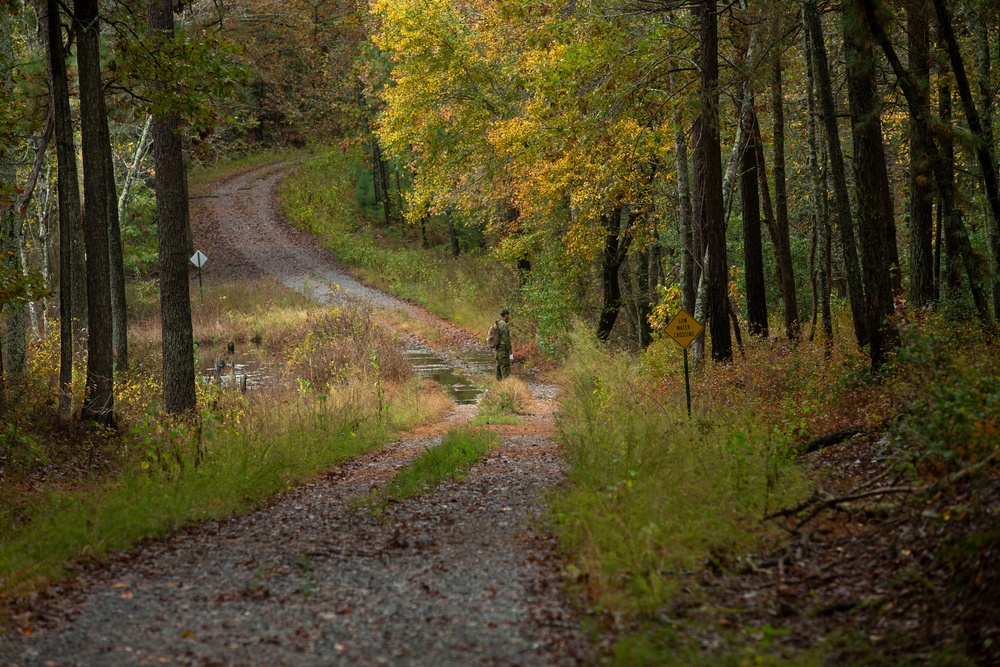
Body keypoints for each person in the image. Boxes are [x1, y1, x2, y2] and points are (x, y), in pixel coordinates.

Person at [495, 308, 512, 380]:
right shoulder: (504, 325)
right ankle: (506, 382)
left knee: (499, 365)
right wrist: (510, 348)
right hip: (503, 348)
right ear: (505, 315)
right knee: (505, 365)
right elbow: (506, 338)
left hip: (498, 347)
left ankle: (498, 382)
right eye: (508, 315)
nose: (509, 317)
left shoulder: (498, 323)